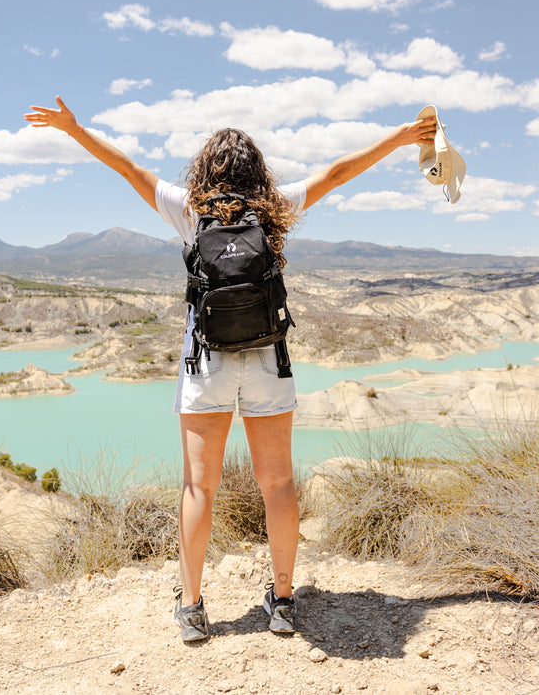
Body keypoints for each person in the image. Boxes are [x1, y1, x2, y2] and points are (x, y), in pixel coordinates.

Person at [24, 96, 436, 641]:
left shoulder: (189, 212)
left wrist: (75, 129)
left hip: (207, 363)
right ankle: (283, 601)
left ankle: (192, 607)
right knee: (279, 484)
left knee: (200, 487)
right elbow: (339, 172)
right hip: (268, 359)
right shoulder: (275, 209)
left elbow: (126, 167)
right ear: (257, 169)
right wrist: (403, 136)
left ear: (205, 168)